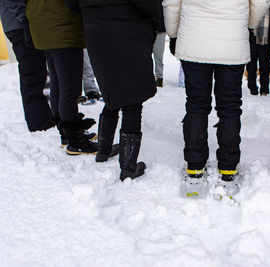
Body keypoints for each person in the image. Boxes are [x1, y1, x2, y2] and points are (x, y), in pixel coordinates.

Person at [164, 0, 270, 198]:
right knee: (229, 106)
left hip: (194, 39)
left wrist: (173, 34)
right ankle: (228, 168)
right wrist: (247, 25)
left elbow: (171, 3)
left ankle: (195, 167)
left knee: (196, 105)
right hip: (232, 39)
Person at [75, 0, 157, 180]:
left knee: (111, 91)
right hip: (128, 31)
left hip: (96, 32)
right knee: (132, 100)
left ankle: (103, 151)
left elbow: (71, 5)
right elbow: (149, 5)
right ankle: (128, 168)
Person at [26, 0, 97, 155]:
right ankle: (75, 141)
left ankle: (65, 134)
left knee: (58, 83)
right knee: (70, 87)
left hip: (43, 28)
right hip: (63, 28)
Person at [0, 0, 53, 132]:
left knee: (37, 71)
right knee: (32, 72)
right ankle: (39, 122)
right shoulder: (21, 19)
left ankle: (42, 116)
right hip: (20, 26)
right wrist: (26, 19)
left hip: (17, 24)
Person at [247, 0, 270, 96]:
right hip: (251, 40)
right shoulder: (251, 4)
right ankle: (252, 88)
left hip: (265, 41)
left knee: (264, 66)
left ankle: (264, 89)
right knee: (251, 66)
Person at [153, 0, 166, 87]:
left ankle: (159, 77)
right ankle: (158, 77)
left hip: (160, 27)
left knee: (158, 55)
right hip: (150, 27)